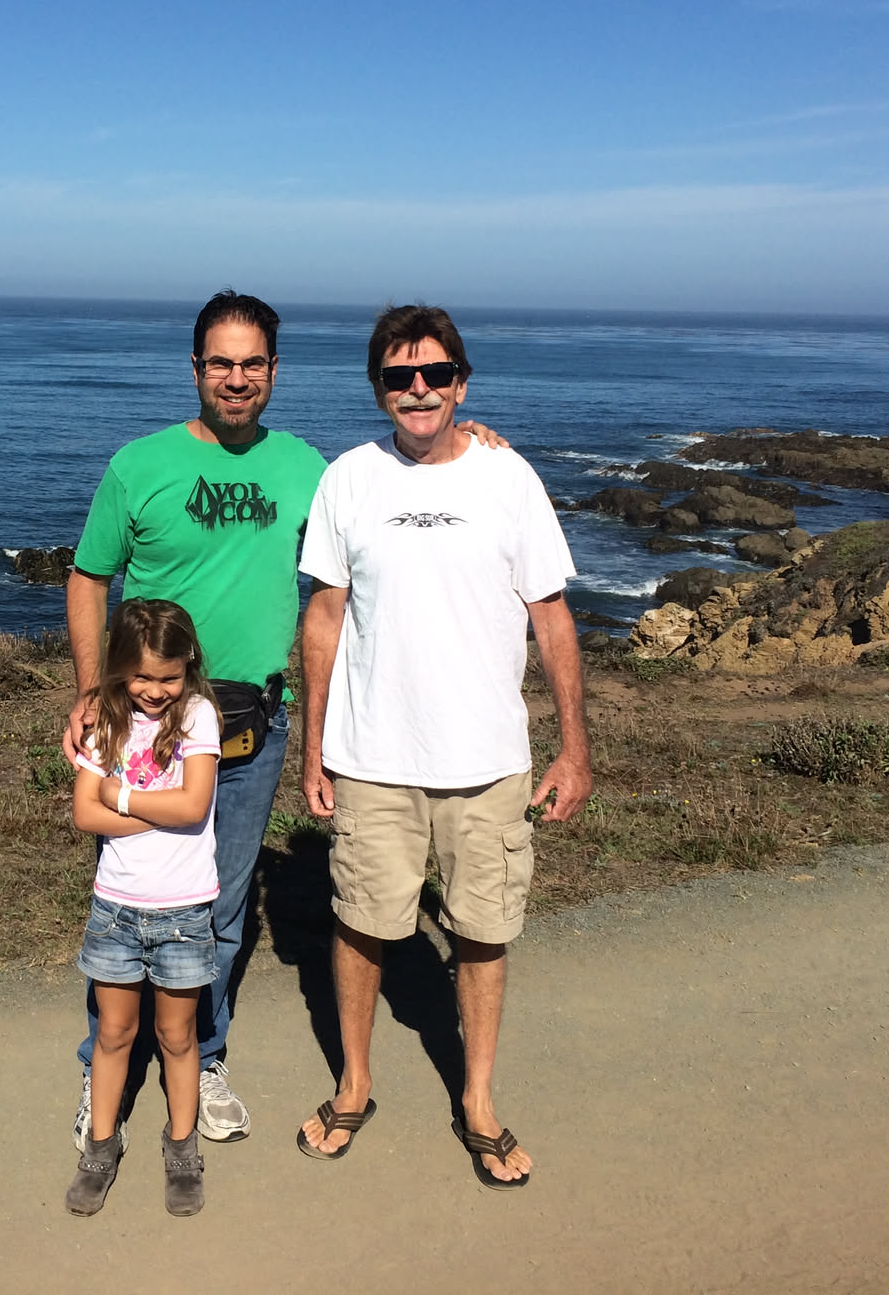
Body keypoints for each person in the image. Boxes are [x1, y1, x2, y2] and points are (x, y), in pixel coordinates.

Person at [63, 289, 503, 1151]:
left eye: (252, 364)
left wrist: (471, 442)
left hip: (250, 727)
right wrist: (88, 694)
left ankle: (203, 1056)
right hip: (145, 727)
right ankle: (104, 1065)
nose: (236, 379)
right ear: (196, 369)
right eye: (221, 364)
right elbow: (88, 577)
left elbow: (393, 500)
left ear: (274, 371)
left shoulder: (312, 470)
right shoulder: (137, 466)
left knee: (220, 906)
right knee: (125, 902)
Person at [295, 304, 592, 1190]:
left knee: (483, 932)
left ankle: (479, 1099)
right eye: (399, 376)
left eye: (434, 374)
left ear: (462, 383)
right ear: (378, 388)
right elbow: (325, 616)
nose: (418, 389)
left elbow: (551, 616)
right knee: (361, 923)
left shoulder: (509, 476)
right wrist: (313, 748)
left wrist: (574, 750)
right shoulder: (348, 478)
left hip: (488, 761)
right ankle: (354, 1084)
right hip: (371, 756)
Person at [66, 599, 222, 1218]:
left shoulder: (199, 716)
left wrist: (123, 796)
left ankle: (182, 1147)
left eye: (169, 677)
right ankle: (100, 1147)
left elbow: (194, 806)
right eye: (142, 677)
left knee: (177, 1036)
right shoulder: (105, 720)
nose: (156, 691)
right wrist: (158, 813)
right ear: (118, 668)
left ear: (188, 667)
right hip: (116, 910)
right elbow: (85, 813)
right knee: (114, 1033)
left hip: (183, 912)